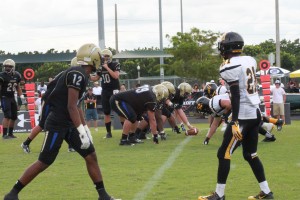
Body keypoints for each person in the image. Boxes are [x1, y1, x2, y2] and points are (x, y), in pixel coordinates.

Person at [5, 43, 119, 200]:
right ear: (91, 58)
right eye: (98, 57)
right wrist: (81, 131)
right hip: (58, 123)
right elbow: (71, 105)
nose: (100, 61)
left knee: (91, 155)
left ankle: (103, 195)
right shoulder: (77, 74)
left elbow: (77, 105)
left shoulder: (82, 75)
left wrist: (85, 129)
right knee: (44, 162)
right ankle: (12, 193)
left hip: (69, 122)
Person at [198, 32, 274, 200]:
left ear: (228, 47)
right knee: (250, 154)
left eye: (223, 45)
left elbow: (236, 96)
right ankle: (267, 192)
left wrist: (235, 120)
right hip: (255, 113)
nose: (221, 48)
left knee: (223, 153)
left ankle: (219, 194)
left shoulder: (229, 65)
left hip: (244, 116)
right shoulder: (249, 60)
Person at [0, 59, 23, 139]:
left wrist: (22, 96)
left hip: (12, 97)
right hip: (4, 97)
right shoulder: (2, 76)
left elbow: (18, 87)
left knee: (13, 116)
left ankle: (10, 134)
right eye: (6, 66)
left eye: (9, 66)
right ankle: (4, 135)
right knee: (7, 115)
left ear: (13, 67)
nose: (7, 68)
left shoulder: (17, 75)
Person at [100, 49, 120, 139]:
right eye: (104, 56)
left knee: (120, 111)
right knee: (106, 112)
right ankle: (108, 133)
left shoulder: (115, 64)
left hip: (114, 90)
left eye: (107, 56)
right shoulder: (100, 66)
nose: (105, 58)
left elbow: (116, 76)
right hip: (105, 91)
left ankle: (126, 131)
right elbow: (95, 77)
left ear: (110, 57)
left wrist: (107, 67)